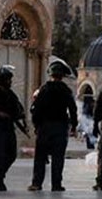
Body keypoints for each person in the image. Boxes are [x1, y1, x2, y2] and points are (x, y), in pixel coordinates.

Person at [28, 59, 78, 192]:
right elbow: (72, 109)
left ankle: (36, 183)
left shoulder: (44, 89)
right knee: (58, 157)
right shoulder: (65, 90)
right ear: (62, 76)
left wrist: (36, 125)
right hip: (60, 127)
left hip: (44, 127)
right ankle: (56, 184)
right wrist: (74, 126)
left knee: (40, 157)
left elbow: (35, 109)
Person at [0, 65, 27, 192]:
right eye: (8, 79)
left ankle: (0, 174)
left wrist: (20, 116)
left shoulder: (10, 94)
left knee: (12, 155)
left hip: (9, 127)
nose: (10, 82)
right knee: (1, 155)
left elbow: (18, 107)